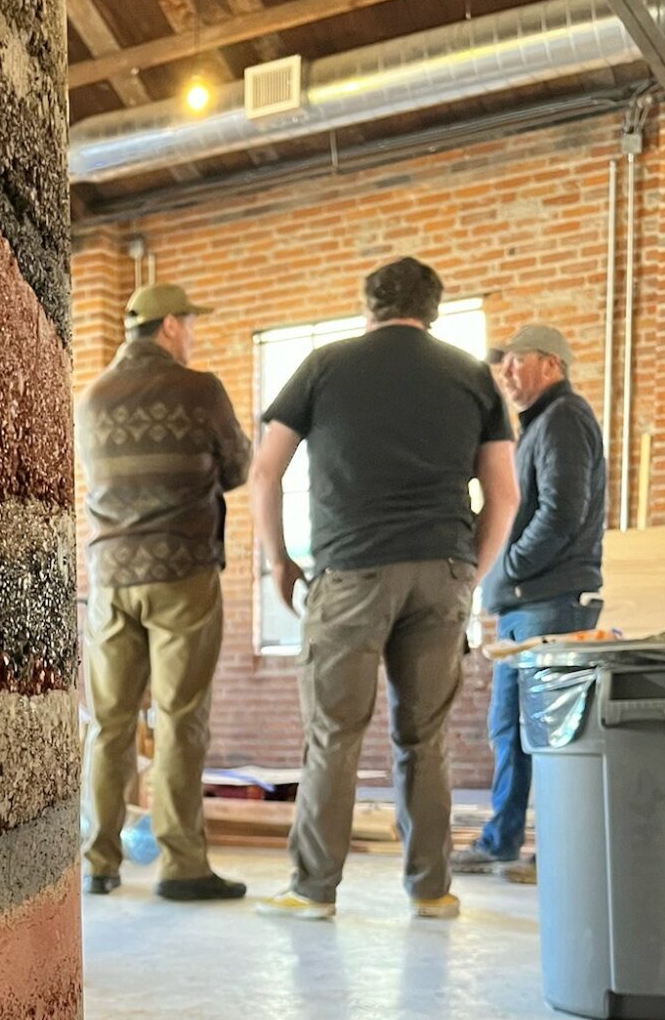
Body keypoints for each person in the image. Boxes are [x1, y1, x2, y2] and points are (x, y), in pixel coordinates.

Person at [249, 256, 520, 921]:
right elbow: (505, 495)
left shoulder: (324, 366)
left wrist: (280, 561)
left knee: (335, 735)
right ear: (432, 309)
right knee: (424, 737)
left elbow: (263, 472)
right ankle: (431, 889)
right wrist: (468, 574)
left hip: (351, 572)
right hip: (443, 572)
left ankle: (314, 891)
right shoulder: (472, 376)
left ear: (367, 306)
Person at [78, 281, 252, 902]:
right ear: (171, 326)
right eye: (190, 323)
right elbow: (237, 468)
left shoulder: (91, 398)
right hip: (182, 574)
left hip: (110, 581)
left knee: (109, 724)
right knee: (180, 720)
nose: (193, 333)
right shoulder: (199, 389)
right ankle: (181, 865)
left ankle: (98, 861)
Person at [454, 324, 606, 881]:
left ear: (552, 365)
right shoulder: (540, 426)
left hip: (551, 601)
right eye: (504, 364)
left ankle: (559, 852)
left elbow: (563, 513)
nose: (507, 373)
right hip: (527, 604)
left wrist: (504, 567)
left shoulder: (564, 419)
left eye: (517, 362)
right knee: (511, 729)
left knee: (551, 731)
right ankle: (502, 840)